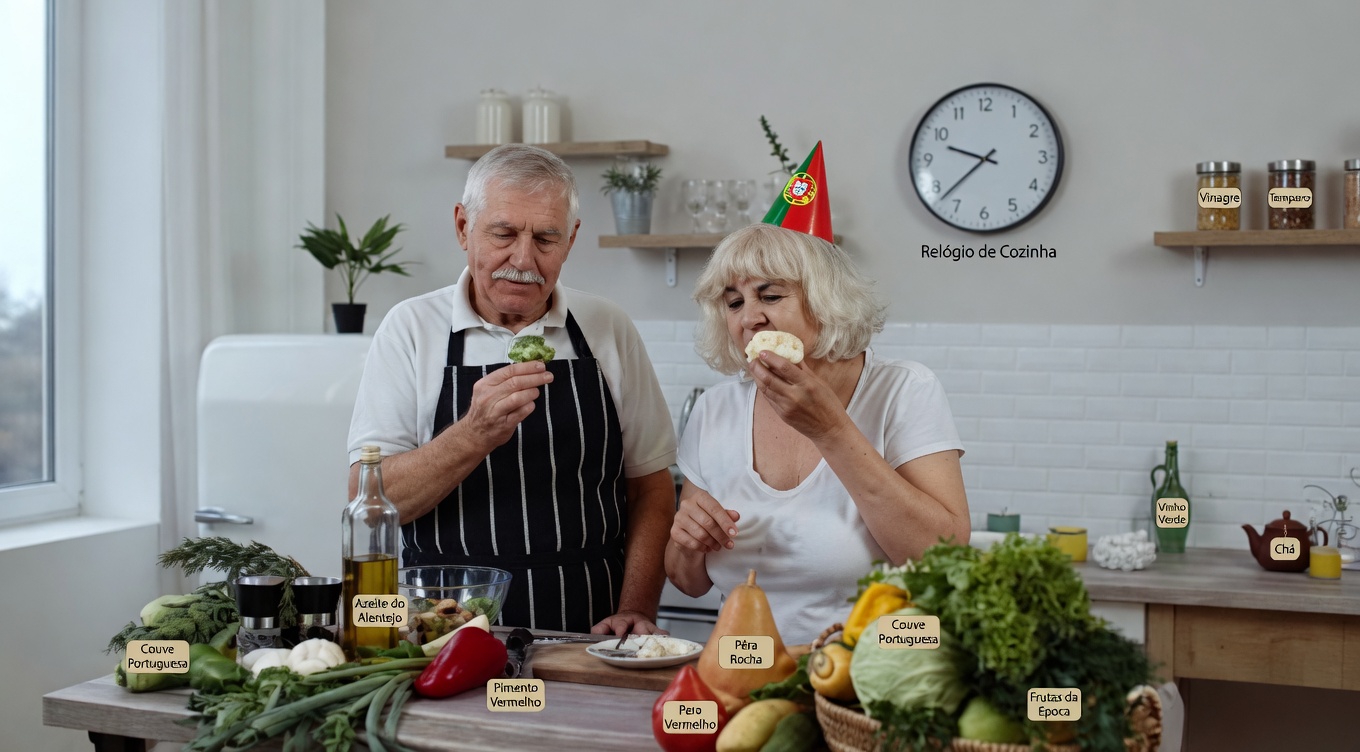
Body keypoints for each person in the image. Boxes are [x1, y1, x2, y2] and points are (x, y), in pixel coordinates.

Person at [347, 144, 677, 636]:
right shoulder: (411, 329)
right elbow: (370, 499)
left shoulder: (607, 327)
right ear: (463, 227)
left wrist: (636, 609)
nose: (523, 259)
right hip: (444, 631)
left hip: (589, 625)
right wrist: (473, 434)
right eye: (503, 233)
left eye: (546, 238)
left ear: (571, 239)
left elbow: (651, 487)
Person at [664, 143, 969, 645]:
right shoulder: (717, 408)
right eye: (734, 302)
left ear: (826, 297)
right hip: (742, 670)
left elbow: (942, 555)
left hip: (867, 674)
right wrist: (688, 539)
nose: (749, 318)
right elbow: (689, 581)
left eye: (771, 295)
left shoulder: (904, 390)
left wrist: (830, 429)